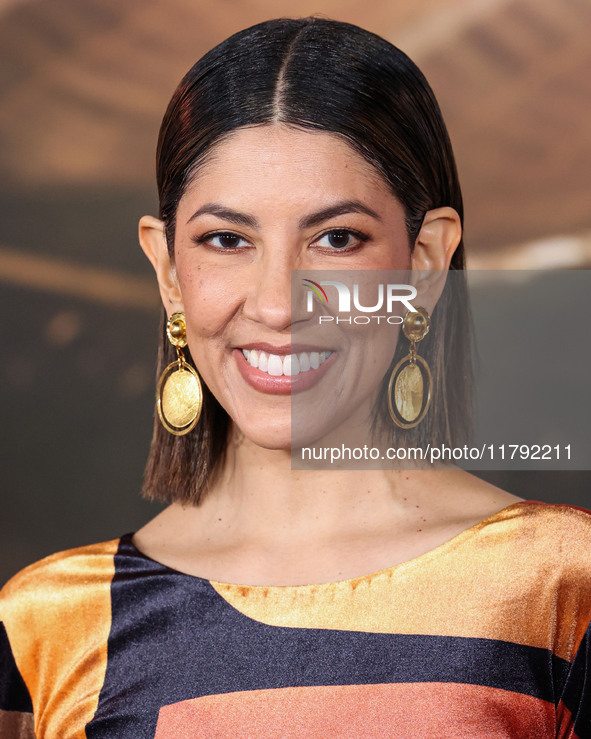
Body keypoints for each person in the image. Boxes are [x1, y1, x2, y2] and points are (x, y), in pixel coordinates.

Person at [1, 16, 590, 738]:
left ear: (427, 260)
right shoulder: (48, 622)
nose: (279, 304)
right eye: (226, 240)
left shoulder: (561, 584)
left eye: (336, 239)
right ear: (167, 271)